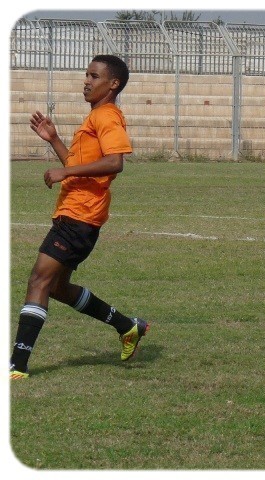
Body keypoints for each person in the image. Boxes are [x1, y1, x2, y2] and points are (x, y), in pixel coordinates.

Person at [9, 55, 149, 379]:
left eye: (94, 76)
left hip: (80, 216)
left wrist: (65, 171)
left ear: (113, 84)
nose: (86, 81)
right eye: (86, 74)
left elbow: (115, 162)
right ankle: (127, 326)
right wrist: (55, 140)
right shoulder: (95, 116)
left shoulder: (107, 116)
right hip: (75, 214)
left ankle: (17, 364)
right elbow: (80, 167)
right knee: (57, 287)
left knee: (38, 281)